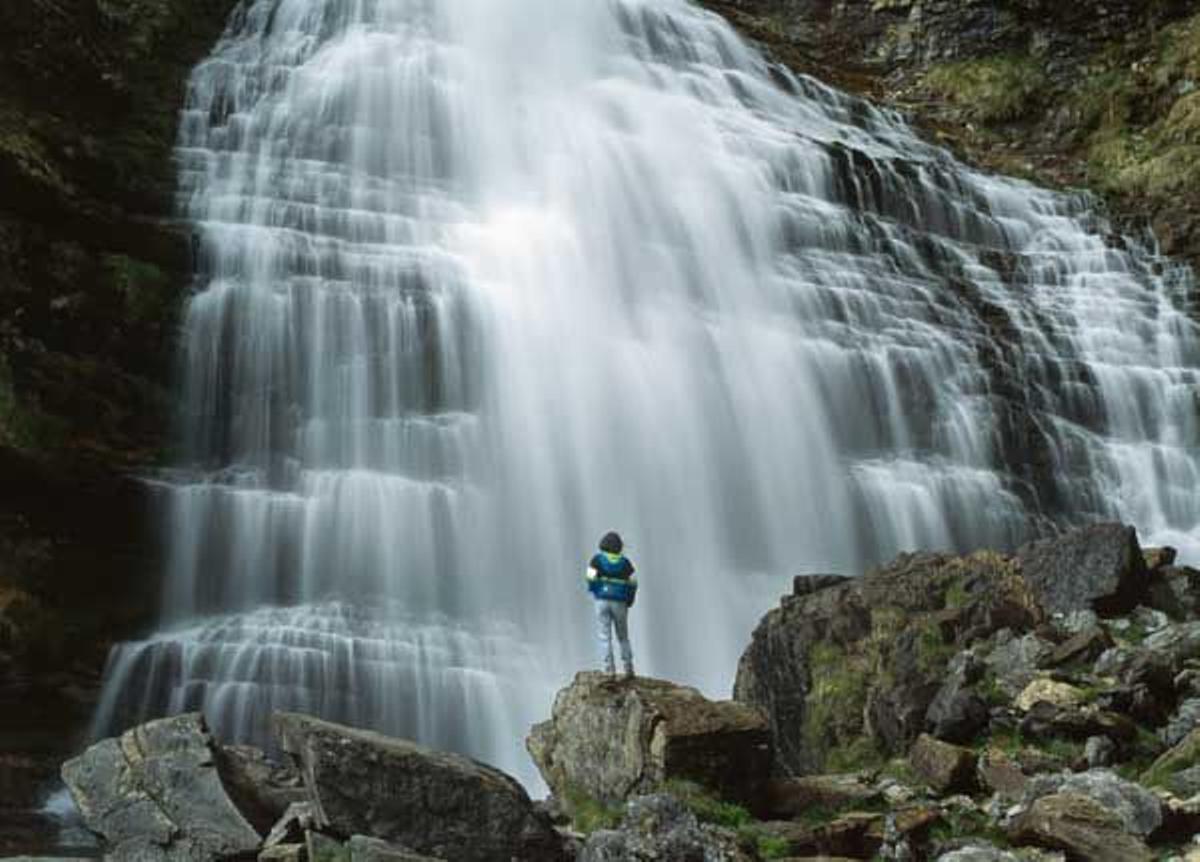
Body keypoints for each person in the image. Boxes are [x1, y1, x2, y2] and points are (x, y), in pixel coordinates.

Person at [586, 530, 637, 678]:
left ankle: (609, 670)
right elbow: (633, 583)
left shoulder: (596, 560)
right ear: (619, 546)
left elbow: (590, 578)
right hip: (620, 602)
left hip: (602, 601)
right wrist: (629, 599)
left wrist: (596, 591)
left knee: (604, 636)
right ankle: (628, 668)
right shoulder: (625, 563)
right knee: (623, 637)